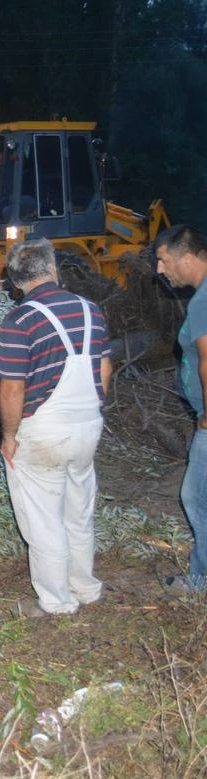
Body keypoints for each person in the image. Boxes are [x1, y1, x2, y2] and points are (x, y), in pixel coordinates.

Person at [0, 238, 113, 616]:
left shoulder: (20, 319)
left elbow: (12, 387)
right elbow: (105, 369)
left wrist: (9, 437)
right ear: (53, 269)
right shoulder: (91, 309)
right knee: (79, 511)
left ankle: (58, 602)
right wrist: (94, 409)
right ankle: (86, 587)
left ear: (15, 283)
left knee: (44, 518)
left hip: (43, 429)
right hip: (88, 423)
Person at [154, 224, 207, 592]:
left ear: (186, 257)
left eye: (163, 260)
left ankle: (200, 579)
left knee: (194, 495)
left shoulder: (203, 301)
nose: (160, 269)